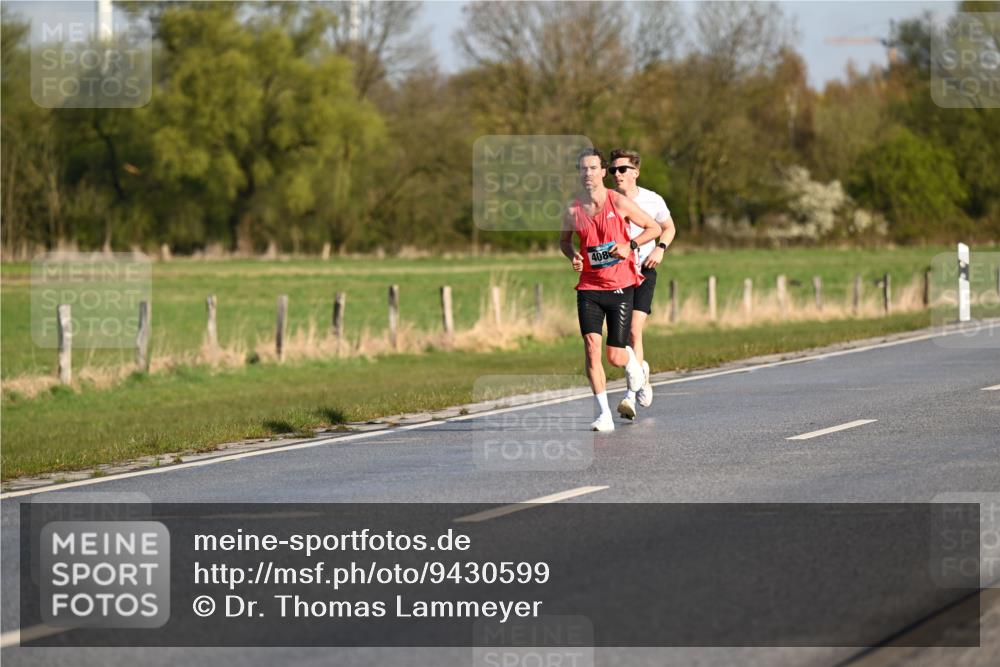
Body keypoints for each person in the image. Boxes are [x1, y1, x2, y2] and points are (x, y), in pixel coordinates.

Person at [560, 148, 664, 432]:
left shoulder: (617, 202)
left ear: (602, 172)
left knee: (615, 356)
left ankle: (635, 365)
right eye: (583, 169)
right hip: (588, 288)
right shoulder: (573, 209)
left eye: (593, 168)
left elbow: (654, 228)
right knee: (592, 348)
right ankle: (603, 414)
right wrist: (573, 256)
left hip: (619, 286)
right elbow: (564, 241)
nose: (588, 174)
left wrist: (628, 246)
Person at [608, 149, 676, 421]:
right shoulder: (607, 201)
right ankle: (642, 375)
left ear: (635, 172)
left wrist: (659, 249)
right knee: (620, 337)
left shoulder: (652, 199)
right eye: (612, 170)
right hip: (616, 275)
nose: (617, 175)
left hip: (644, 270)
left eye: (622, 169)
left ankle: (629, 395)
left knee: (635, 332)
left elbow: (669, 227)